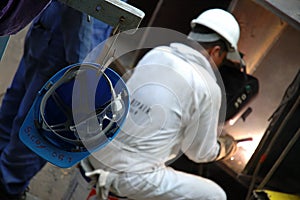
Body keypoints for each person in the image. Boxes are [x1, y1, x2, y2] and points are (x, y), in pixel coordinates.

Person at [81, 8, 241, 200]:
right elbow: (200, 154)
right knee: (216, 195)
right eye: (222, 59)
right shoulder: (208, 86)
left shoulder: (157, 54)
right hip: (129, 177)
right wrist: (227, 147)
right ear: (216, 51)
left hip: (94, 152)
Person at [0, 0, 114, 199]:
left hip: (50, 24)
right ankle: (8, 186)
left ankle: (4, 176)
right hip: (71, 41)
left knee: (16, 104)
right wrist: (79, 67)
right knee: (40, 125)